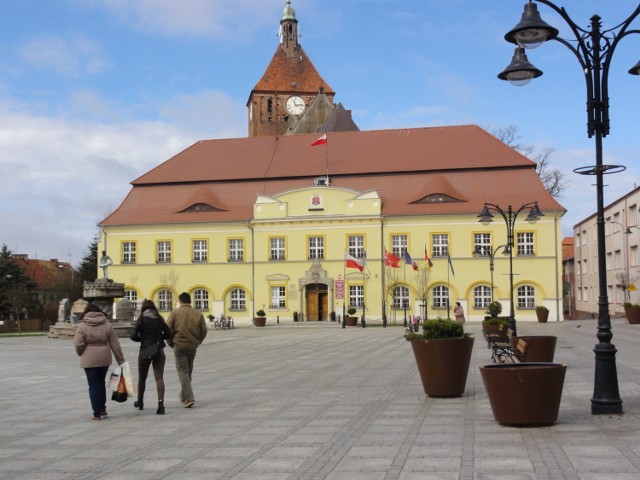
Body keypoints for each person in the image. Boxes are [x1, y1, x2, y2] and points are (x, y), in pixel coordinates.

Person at [73, 303, 126, 421]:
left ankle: (96, 413)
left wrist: (81, 352)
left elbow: (78, 343)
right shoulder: (107, 325)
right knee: (101, 382)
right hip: (104, 356)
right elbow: (115, 344)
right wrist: (121, 360)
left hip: (89, 357)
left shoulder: (82, 326)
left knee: (93, 385)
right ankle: (102, 408)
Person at [130, 299, 173, 415]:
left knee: (142, 378)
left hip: (145, 351)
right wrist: (159, 337)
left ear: (143, 309)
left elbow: (132, 336)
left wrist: (142, 339)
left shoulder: (141, 320)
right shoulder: (159, 319)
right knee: (159, 378)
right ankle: (161, 404)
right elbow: (169, 334)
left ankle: (140, 401)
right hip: (159, 350)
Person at [166, 292, 208, 408]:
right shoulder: (198, 314)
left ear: (180, 301)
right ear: (190, 301)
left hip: (179, 345)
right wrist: (198, 341)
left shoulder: (174, 313)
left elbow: (168, 329)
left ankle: (189, 398)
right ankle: (184, 396)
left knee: (183, 371)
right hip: (192, 346)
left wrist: (171, 343)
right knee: (188, 370)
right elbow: (204, 330)